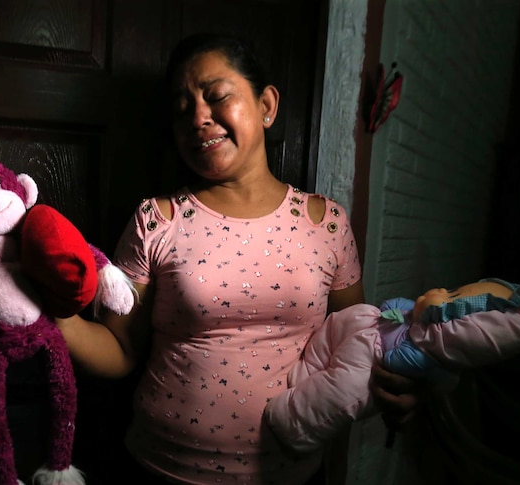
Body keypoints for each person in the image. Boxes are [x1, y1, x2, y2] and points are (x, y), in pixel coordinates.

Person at [56, 32, 420, 484]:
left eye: (216, 96)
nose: (198, 117)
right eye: (183, 108)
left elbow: (355, 343)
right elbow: (120, 350)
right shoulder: (157, 220)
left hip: (291, 471)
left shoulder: (326, 223)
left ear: (267, 105)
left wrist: (395, 387)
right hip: (160, 468)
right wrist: (54, 315)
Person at [262, 278, 520, 456]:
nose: (440, 289)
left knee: (347, 390)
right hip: (356, 335)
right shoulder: (412, 316)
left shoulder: (426, 348)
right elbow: (393, 305)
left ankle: (293, 422)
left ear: (449, 327)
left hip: (365, 362)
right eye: (452, 289)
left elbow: (394, 360)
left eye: (450, 296)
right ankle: (306, 373)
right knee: (346, 326)